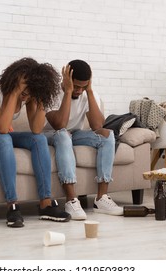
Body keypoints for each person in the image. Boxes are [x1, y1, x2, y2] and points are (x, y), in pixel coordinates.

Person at [0, 57, 71, 228]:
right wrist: (15, 92)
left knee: (39, 139)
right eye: (24, 87)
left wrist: (42, 98)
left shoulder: (28, 98)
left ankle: (45, 203)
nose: (25, 93)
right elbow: (2, 127)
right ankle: (12, 205)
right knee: (4, 137)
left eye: (30, 90)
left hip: (1, 134)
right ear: (13, 79)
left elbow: (36, 129)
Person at [44, 59, 123, 220]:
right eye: (76, 86)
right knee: (63, 135)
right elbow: (60, 124)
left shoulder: (87, 93)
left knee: (107, 135)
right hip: (51, 134)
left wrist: (90, 91)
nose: (79, 91)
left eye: (83, 86)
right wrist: (67, 91)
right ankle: (72, 200)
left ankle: (101, 199)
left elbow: (98, 125)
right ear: (66, 79)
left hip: (74, 134)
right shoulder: (50, 93)